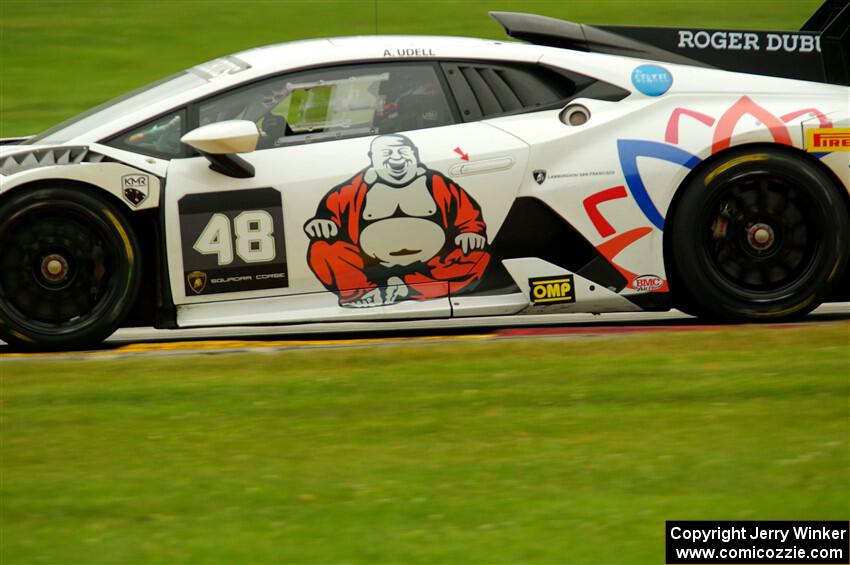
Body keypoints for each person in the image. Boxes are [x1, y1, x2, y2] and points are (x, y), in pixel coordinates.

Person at [304, 134, 490, 307]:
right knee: (322, 249)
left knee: (477, 255)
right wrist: (322, 223)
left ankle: (404, 287)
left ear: (414, 154)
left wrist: (470, 233)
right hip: (368, 265)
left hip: (433, 264)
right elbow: (328, 216)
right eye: (386, 153)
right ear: (372, 157)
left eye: (402, 151)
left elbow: (466, 214)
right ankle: (363, 293)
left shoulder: (437, 183)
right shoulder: (353, 188)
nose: (396, 158)